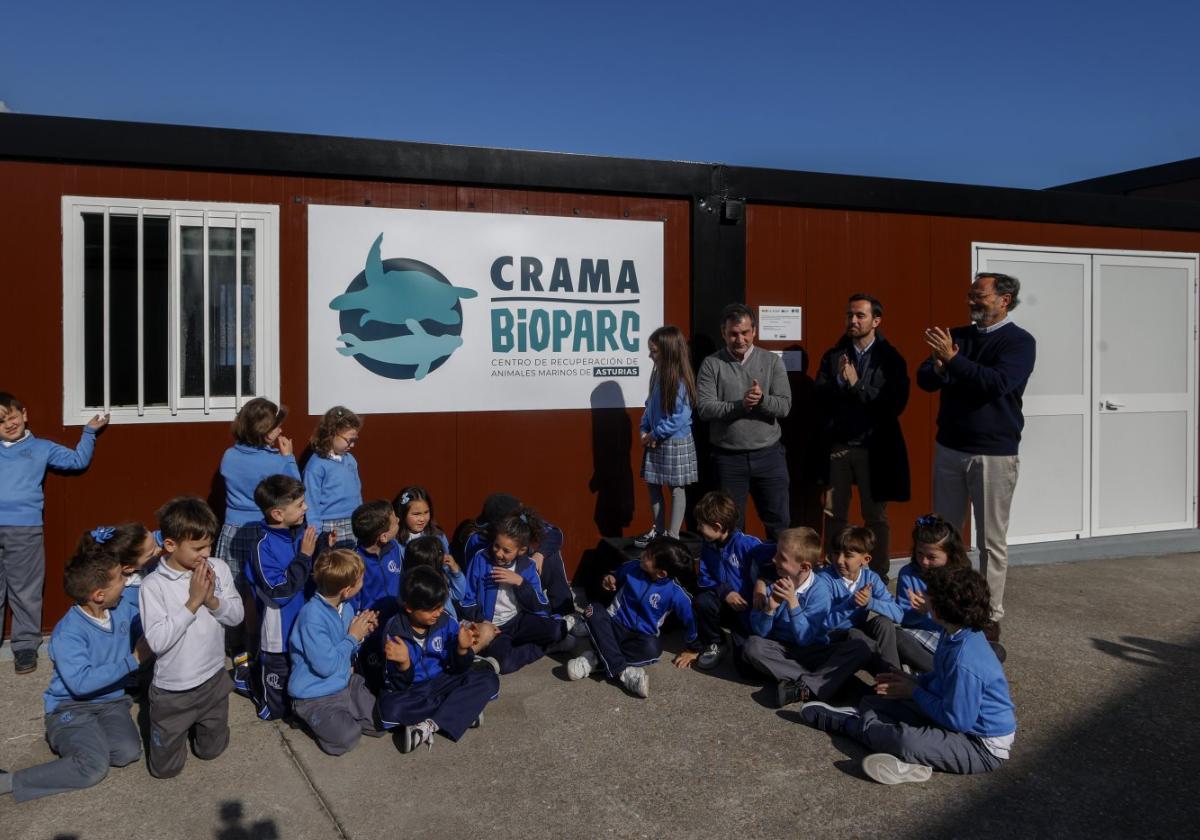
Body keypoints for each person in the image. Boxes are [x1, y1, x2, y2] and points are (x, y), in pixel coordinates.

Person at [799, 565, 1017, 784]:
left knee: (905, 740)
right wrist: (913, 681)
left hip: (980, 745)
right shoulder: (954, 633)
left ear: (942, 609)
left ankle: (851, 726)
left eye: (929, 594)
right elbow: (941, 678)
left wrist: (914, 691)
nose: (923, 597)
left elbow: (956, 721)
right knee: (874, 703)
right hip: (953, 718)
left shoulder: (965, 659)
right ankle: (911, 755)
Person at [918, 272, 1035, 636]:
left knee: (990, 542)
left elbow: (996, 384)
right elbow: (925, 378)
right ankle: (945, 605)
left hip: (994, 455)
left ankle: (988, 616)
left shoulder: (1019, 342)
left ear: (1005, 299)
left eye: (979, 296)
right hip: (950, 448)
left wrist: (952, 360)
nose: (971, 301)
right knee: (945, 539)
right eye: (970, 295)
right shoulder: (958, 337)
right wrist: (939, 366)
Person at [0, 535, 149, 801]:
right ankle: (10, 781)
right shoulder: (68, 633)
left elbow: (147, 622)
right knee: (93, 767)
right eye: (120, 580)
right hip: (70, 708)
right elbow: (81, 683)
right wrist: (133, 660)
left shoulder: (121, 608)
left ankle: (87, 744)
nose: (127, 583)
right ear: (99, 595)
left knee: (127, 752)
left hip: (112, 703)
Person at [0, 391, 108, 674]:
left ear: (23, 413)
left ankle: (24, 646)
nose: (9, 424)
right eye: (1, 422)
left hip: (24, 528)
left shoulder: (42, 448)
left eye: (11, 416)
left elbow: (77, 461)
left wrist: (89, 433)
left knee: (25, 589)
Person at [139, 497, 244, 779]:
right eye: (198, 548)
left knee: (212, 750)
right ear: (170, 545)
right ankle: (173, 733)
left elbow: (236, 617)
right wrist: (193, 603)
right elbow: (158, 642)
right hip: (174, 692)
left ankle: (204, 730)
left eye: (209, 544)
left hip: (213, 680)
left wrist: (212, 600)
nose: (206, 553)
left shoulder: (218, 568)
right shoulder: (153, 586)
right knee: (165, 770)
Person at [814, 294, 910, 578]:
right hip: (840, 448)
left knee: (875, 516)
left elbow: (894, 404)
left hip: (874, 449)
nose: (853, 321)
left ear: (876, 321)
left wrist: (858, 385)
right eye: (849, 315)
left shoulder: (891, 359)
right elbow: (819, 394)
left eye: (860, 316)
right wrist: (841, 382)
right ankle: (836, 568)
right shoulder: (834, 356)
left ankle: (877, 572)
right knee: (834, 514)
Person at [215, 397, 298, 687]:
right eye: (276, 426)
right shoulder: (275, 461)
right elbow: (294, 492)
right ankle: (260, 654)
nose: (281, 430)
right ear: (263, 429)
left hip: (233, 530)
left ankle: (239, 659)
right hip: (263, 533)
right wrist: (288, 458)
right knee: (259, 597)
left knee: (233, 595)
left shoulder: (228, 456)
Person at [743, 527, 877, 708]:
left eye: (781, 557)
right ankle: (823, 683)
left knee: (861, 647)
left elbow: (805, 639)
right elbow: (760, 632)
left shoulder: (820, 591)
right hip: (782, 650)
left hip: (814, 649)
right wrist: (769, 608)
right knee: (752, 646)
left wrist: (792, 602)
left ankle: (809, 685)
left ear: (804, 567)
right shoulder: (776, 582)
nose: (774, 559)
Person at [695, 303, 792, 540]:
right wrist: (741, 405)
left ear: (754, 331)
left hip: (769, 456)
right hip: (729, 459)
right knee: (729, 527)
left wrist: (760, 401)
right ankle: (737, 577)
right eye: (733, 334)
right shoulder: (712, 364)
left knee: (779, 522)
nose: (740, 339)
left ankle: (775, 575)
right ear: (723, 333)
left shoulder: (771, 362)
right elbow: (705, 408)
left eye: (745, 332)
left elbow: (784, 406)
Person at [379, 566, 500, 753]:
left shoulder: (445, 621)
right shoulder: (395, 633)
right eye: (431, 609)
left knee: (489, 680)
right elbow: (396, 685)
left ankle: (429, 725)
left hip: (443, 680)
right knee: (388, 710)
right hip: (414, 691)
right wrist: (404, 665)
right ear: (409, 607)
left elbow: (458, 668)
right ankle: (461, 711)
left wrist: (462, 650)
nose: (438, 612)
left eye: (441, 605)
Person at [568, 536, 700, 698]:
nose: (643, 555)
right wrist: (609, 579)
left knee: (653, 650)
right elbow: (614, 575)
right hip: (613, 625)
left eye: (649, 556)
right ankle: (624, 673)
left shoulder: (676, 594)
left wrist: (693, 649)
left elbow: (690, 621)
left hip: (640, 637)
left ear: (661, 573)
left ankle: (595, 658)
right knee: (593, 610)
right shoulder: (632, 567)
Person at [240, 475, 326, 721]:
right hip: (278, 634)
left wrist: (322, 550)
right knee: (275, 710)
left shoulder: (298, 533)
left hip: (302, 626)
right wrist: (304, 557)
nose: (306, 508)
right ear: (278, 514)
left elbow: (311, 574)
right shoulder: (262, 546)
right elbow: (280, 593)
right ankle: (249, 681)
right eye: (299, 505)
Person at [459, 508, 584, 674]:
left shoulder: (527, 567)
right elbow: (467, 599)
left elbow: (541, 607)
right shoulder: (481, 559)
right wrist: (483, 621)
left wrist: (520, 582)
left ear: (522, 550)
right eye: (496, 546)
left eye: (506, 551)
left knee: (557, 629)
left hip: (519, 621)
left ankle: (543, 642)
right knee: (504, 664)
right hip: (495, 628)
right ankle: (545, 648)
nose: (498, 553)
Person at [288, 548, 384, 757]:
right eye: (360, 580)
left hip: (344, 683)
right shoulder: (312, 616)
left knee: (379, 723)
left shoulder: (345, 607)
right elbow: (326, 666)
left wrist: (363, 631)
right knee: (347, 737)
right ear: (346, 590)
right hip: (315, 694)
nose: (363, 582)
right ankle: (306, 716)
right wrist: (352, 637)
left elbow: (348, 648)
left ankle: (344, 713)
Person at [862, 514, 973, 673]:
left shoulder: (960, 575)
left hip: (951, 634)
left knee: (985, 646)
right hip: (920, 634)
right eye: (920, 554)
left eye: (932, 557)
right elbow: (903, 617)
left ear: (950, 554)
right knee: (898, 638)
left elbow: (966, 616)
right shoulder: (908, 574)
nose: (924, 561)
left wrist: (934, 609)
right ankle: (945, 673)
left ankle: (953, 669)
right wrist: (918, 612)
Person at [634, 325, 699, 546]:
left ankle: (673, 535)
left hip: (674, 441)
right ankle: (659, 530)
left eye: (654, 351)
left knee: (676, 488)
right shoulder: (656, 375)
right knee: (652, 484)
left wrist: (655, 433)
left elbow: (681, 417)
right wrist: (644, 428)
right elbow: (649, 404)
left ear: (669, 350)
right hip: (655, 439)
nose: (650, 355)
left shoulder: (680, 379)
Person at [458, 493, 574, 617]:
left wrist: (540, 554)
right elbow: (473, 581)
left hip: (526, 578)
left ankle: (565, 613)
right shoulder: (477, 540)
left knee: (551, 555)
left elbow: (555, 534)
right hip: (496, 590)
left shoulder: (523, 521)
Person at [692, 490, 764, 671]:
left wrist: (761, 583)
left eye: (701, 525)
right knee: (702, 601)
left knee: (745, 669)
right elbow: (704, 578)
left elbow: (773, 563)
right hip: (724, 602)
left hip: (747, 609)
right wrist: (725, 592)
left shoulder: (748, 544)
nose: (698, 529)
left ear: (717, 526)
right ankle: (716, 642)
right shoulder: (708, 545)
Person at [349, 499, 403, 689]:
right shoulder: (356, 562)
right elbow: (351, 603)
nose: (398, 519)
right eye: (395, 520)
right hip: (372, 633)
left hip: (398, 624)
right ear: (383, 537)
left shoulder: (395, 549)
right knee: (373, 679)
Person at [303, 406, 363, 548]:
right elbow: (310, 501)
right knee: (333, 566)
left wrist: (361, 517)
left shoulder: (350, 460)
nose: (353, 445)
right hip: (329, 525)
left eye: (355, 440)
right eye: (349, 440)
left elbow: (357, 491)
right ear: (331, 434)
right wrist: (316, 532)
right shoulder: (316, 465)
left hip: (353, 521)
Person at [403, 534, 466, 619]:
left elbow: (458, 594)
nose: (444, 555)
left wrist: (455, 571)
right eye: (439, 553)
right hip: (441, 628)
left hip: (451, 625)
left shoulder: (441, 576)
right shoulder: (420, 588)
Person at [393, 485, 452, 553]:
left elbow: (446, 561)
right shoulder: (394, 541)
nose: (422, 519)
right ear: (402, 514)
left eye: (426, 512)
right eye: (416, 514)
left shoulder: (438, 536)